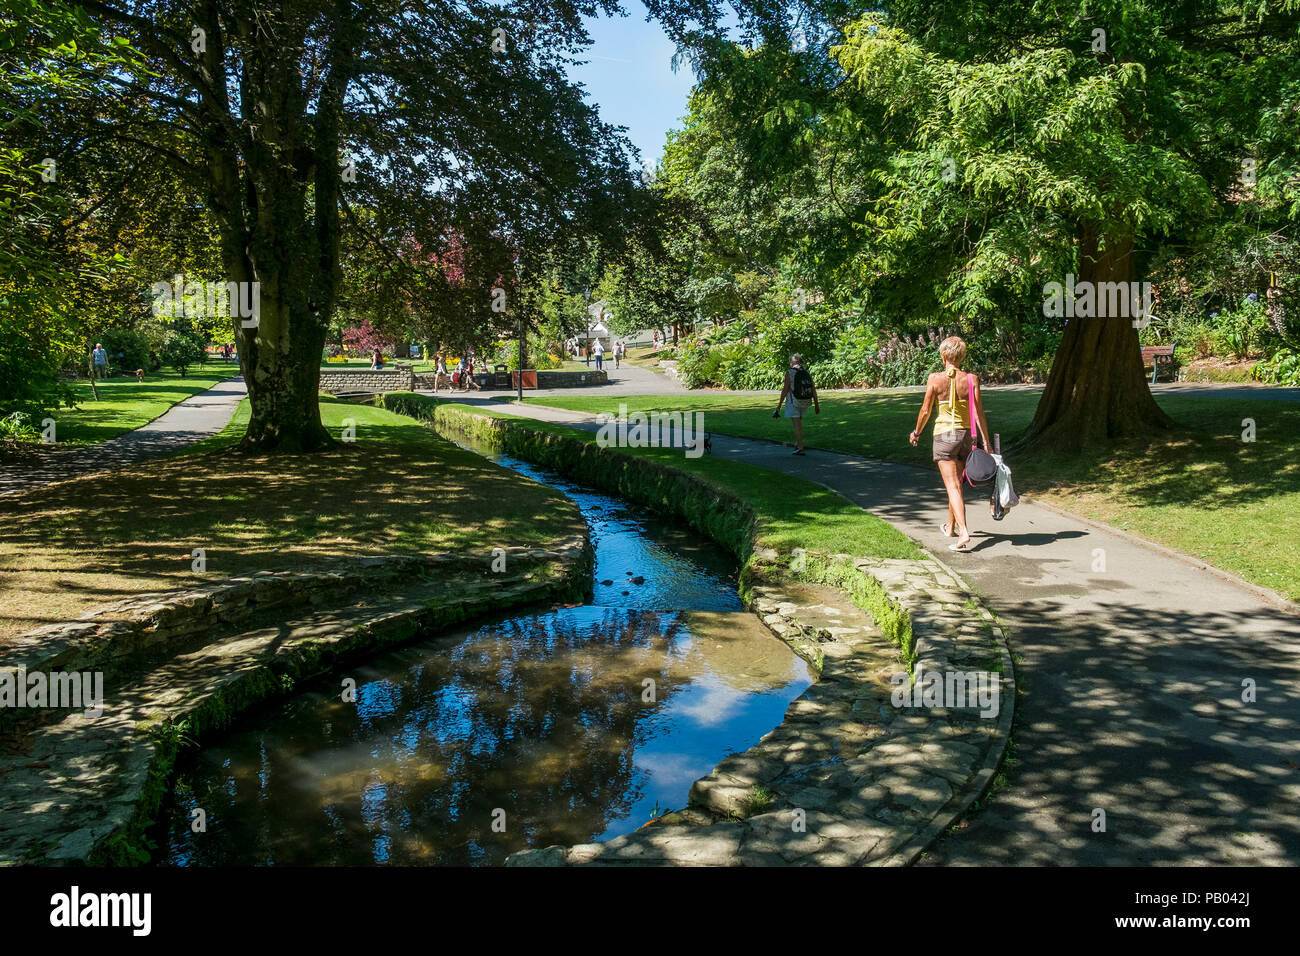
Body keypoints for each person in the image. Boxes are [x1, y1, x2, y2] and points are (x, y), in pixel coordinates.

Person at [908, 335, 992, 553]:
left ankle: (963, 532)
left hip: (945, 436)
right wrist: (986, 442)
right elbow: (978, 413)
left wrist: (916, 432)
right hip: (966, 437)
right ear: (962, 356)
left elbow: (926, 410)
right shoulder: (971, 379)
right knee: (955, 485)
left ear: (943, 355)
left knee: (952, 486)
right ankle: (950, 526)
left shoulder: (935, 378)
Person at [773, 353, 819, 455]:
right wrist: (816, 404)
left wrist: (779, 405)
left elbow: (785, 390)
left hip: (793, 401)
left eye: (790, 361)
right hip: (805, 401)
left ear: (793, 362)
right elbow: (813, 389)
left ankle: (800, 448)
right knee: (799, 424)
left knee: (797, 425)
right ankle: (797, 444)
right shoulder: (806, 373)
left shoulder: (790, 373)